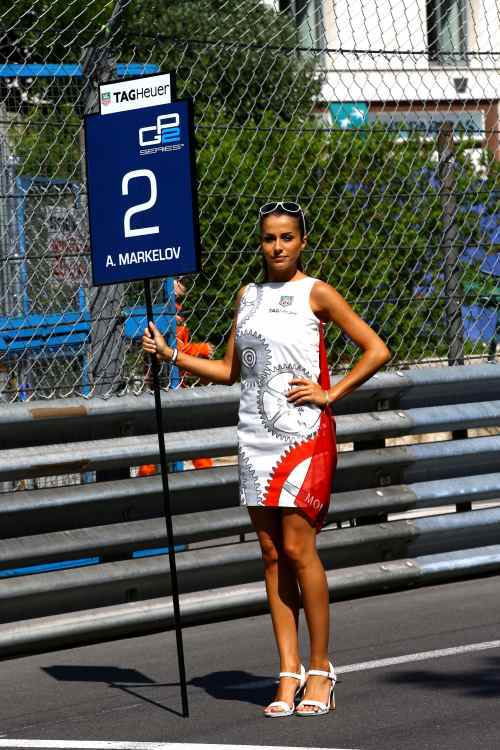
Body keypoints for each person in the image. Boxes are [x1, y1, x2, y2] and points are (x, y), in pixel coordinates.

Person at [143, 201, 391, 717]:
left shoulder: (316, 292)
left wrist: (331, 392)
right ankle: (287, 669)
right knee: (271, 554)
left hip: (304, 437)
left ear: (302, 241)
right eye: (269, 238)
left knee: (301, 551)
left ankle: (321, 669)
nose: (277, 246)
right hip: (255, 437)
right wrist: (171, 355)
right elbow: (231, 369)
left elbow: (376, 349)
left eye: (286, 237)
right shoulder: (248, 296)